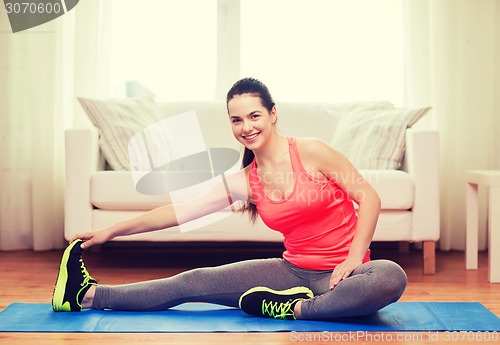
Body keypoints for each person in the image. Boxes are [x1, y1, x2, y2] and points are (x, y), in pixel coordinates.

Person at [52, 77, 407, 320]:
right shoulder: (243, 182)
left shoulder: (313, 151)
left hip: (349, 274)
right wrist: (109, 232)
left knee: (390, 277)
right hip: (293, 271)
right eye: (236, 120)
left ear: (273, 113)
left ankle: (294, 310)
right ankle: (86, 296)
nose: (246, 127)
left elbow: (369, 197)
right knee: (191, 281)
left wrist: (353, 259)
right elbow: (178, 212)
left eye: (254, 115)